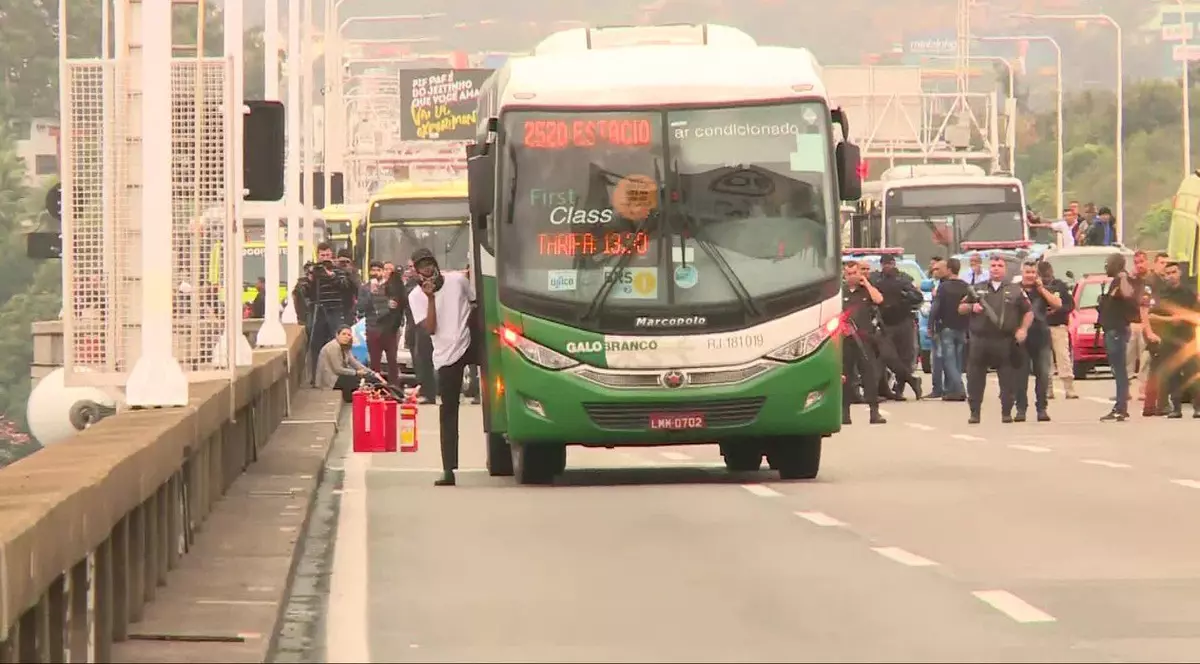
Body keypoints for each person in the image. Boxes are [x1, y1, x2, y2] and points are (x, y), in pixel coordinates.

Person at [408, 248, 476, 486]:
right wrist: (430, 298)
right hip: (445, 354)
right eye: (422, 267)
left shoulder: (457, 281)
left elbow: (475, 302)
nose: (427, 269)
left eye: (429, 264)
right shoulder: (416, 297)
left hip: (469, 342)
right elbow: (430, 329)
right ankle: (449, 469)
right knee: (448, 410)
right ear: (417, 272)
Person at [958, 254, 1033, 424]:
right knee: (975, 377)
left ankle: (1006, 412)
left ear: (1005, 269)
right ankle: (975, 412)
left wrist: (1023, 329)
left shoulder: (1015, 290)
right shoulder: (977, 288)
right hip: (980, 340)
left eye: (999, 266)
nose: (996, 269)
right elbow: (961, 308)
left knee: (1007, 379)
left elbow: (1028, 312)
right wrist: (972, 307)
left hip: (1004, 340)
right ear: (989, 268)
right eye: (993, 266)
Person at [295, 243, 357, 387]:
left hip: (335, 311)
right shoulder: (315, 272)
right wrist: (310, 279)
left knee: (338, 343)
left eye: (327, 255)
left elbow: (346, 286)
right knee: (316, 345)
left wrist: (331, 275)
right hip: (319, 311)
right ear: (318, 256)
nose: (325, 258)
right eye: (322, 255)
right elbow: (305, 293)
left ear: (332, 255)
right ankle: (315, 378)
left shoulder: (339, 271)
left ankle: (340, 374)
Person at [1147, 261, 1200, 418]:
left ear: (1180, 273)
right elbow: (1152, 316)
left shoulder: (1189, 293)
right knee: (1173, 376)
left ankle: (1198, 407)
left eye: (1174, 272)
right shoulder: (1162, 295)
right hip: (1169, 340)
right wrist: (1170, 320)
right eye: (1168, 273)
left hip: (1187, 340)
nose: (1171, 276)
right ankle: (1176, 408)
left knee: (1193, 373)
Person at [1013, 260, 1062, 422]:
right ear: (1022, 273)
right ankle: (1021, 409)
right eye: (1027, 272)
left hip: (1041, 336)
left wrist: (1041, 289)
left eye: (1033, 272)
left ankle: (1042, 408)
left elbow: (1058, 304)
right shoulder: (1015, 290)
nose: (1030, 275)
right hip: (1021, 338)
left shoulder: (1042, 290)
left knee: (1043, 375)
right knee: (1020, 376)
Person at [840, 261, 887, 425]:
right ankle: (844, 414)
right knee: (846, 377)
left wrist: (866, 283)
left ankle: (874, 412)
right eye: (848, 273)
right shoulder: (841, 292)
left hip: (864, 340)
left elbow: (879, 299)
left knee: (869, 376)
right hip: (846, 340)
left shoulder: (866, 290)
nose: (852, 276)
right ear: (844, 275)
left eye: (855, 273)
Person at [871, 254, 923, 400]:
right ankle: (912, 381)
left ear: (894, 264)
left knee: (904, 356)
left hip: (903, 321)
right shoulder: (875, 279)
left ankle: (899, 389)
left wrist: (908, 295)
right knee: (887, 356)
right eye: (885, 264)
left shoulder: (904, 279)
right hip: (885, 323)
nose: (887, 267)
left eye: (890, 264)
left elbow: (918, 297)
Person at [1096, 252, 1138, 421]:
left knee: (1120, 371)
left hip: (1117, 332)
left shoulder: (1122, 279)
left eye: (1108, 263)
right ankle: (1120, 406)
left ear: (1116, 264)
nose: (1106, 267)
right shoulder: (1115, 281)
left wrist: (1123, 277)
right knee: (1117, 370)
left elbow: (1128, 294)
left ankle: (1121, 408)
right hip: (1111, 331)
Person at [358, 261, 402, 386]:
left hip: (390, 330)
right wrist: (370, 293)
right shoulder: (364, 288)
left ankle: (394, 388)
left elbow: (398, 305)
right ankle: (376, 388)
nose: (375, 273)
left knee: (392, 361)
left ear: (383, 272)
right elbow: (360, 308)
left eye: (378, 270)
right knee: (374, 362)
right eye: (373, 270)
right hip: (373, 329)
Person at [931, 257, 970, 401]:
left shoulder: (944, 287)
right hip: (962, 328)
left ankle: (959, 389)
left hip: (947, 327)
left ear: (948, 270)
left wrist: (931, 324)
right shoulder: (966, 286)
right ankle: (951, 390)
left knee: (949, 361)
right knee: (958, 361)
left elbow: (936, 307)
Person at [1038, 261, 1077, 399]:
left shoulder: (1060, 286)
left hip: (1059, 325)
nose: (1046, 277)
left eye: (1047, 274)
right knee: (1044, 359)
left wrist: (1058, 311)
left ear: (1051, 272)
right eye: (1043, 275)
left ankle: (1069, 387)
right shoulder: (1036, 288)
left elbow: (1070, 305)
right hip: (1042, 326)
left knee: (1063, 356)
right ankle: (1048, 389)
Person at [315, 325, 375, 402]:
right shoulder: (333, 346)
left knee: (367, 378)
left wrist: (371, 372)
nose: (346, 337)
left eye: (349, 335)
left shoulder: (345, 346)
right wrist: (356, 372)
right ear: (337, 335)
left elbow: (355, 363)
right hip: (331, 379)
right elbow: (338, 369)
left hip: (339, 376)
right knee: (357, 381)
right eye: (343, 334)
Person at [1125, 250, 1154, 401]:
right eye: (1136, 262)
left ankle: (1143, 388)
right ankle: (1126, 389)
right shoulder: (1132, 281)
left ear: (1147, 261)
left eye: (1142, 261)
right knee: (1128, 359)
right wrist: (1130, 278)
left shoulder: (1151, 280)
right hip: (1132, 323)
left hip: (1145, 324)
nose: (1139, 265)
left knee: (1145, 358)